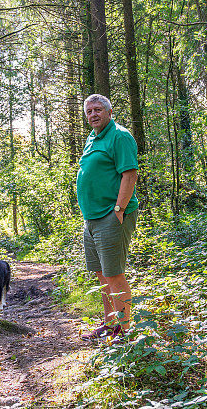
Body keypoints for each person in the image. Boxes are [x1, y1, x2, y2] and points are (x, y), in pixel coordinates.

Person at [76, 94, 139, 343]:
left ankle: (124, 330)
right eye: (89, 111)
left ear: (109, 112)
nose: (93, 114)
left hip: (111, 216)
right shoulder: (92, 138)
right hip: (91, 217)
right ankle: (110, 322)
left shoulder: (120, 136)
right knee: (101, 274)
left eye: (98, 109)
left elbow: (130, 174)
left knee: (113, 274)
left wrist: (119, 210)